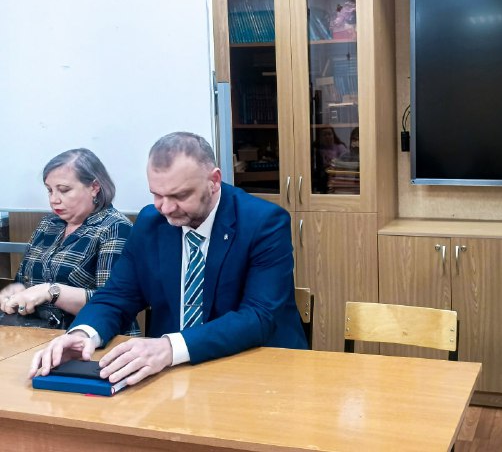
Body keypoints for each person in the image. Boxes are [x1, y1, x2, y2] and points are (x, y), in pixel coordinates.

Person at [30, 132, 307, 385]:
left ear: (213, 181)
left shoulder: (263, 222)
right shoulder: (151, 222)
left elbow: (259, 316)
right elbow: (117, 296)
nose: (166, 207)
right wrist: (83, 334)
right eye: (156, 194)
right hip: (175, 375)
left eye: (180, 195)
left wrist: (169, 347)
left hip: (258, 371)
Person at [0, 149, 136, 334]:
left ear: (94, 187)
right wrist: (16, 290)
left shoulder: (115, 227)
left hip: (88, 337)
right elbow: (24, 279)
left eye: (64, 190)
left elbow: (111, 303)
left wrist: (51, 292)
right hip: (34, 333)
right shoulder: (49, 224)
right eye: (49, 190)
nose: (54, 200)